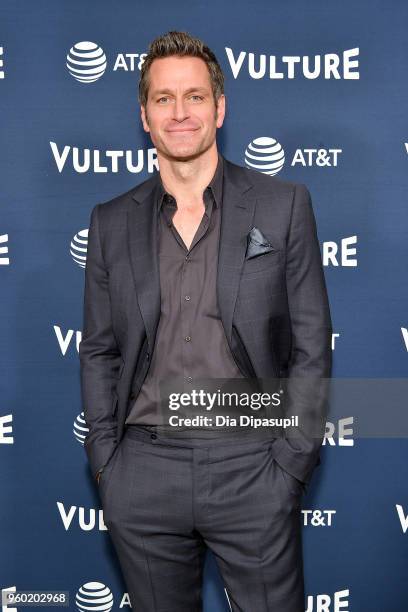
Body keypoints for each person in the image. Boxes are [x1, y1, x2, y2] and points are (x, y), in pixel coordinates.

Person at [79, 30, 332, 612]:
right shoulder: (111, 221)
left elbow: (311, 346)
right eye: (163, 99)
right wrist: (109, 467)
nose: (180, 112)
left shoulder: (282, 204)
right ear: (144, 116)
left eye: (194, 96)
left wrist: (290, 465)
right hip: (143, 472)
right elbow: (99, 350)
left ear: (220, 108)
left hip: (253, 466)